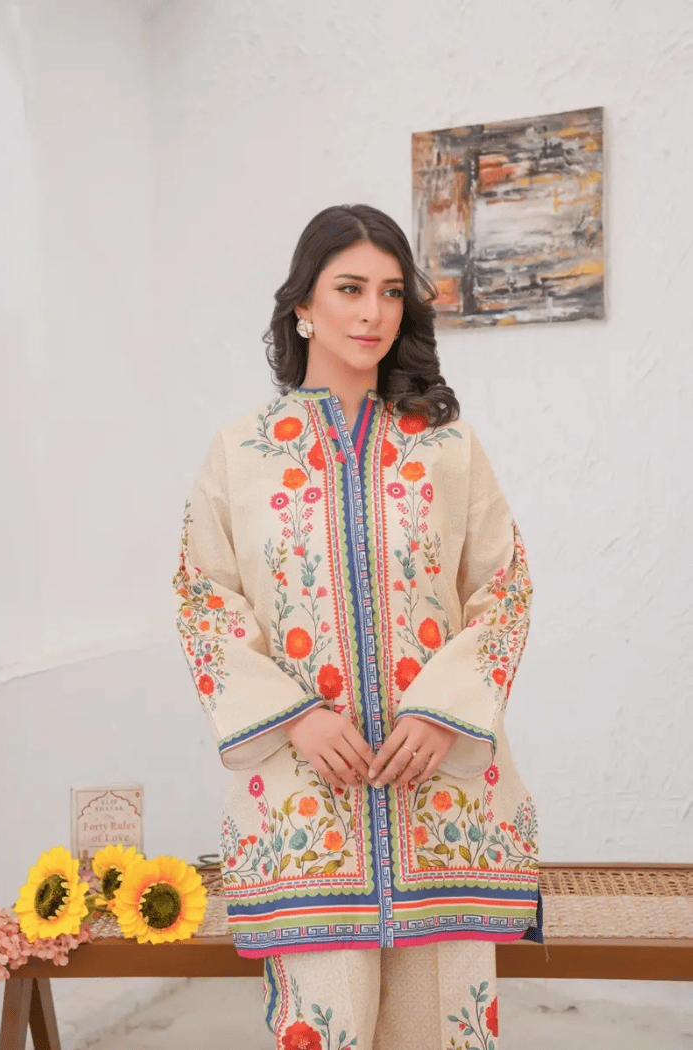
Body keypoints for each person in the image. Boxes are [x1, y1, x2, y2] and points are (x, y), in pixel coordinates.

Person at [173, 203, 542, 1050]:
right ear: (304, 303)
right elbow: (203, 600)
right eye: (349, 289)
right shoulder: (242, 452)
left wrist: (440, 714)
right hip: (305, 808)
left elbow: (505, 589)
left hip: (443, 803)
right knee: (326, 1032)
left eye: (391, 291)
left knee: (446, 1034)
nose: (373, 312)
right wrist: (296, 718)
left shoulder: (447, 446)